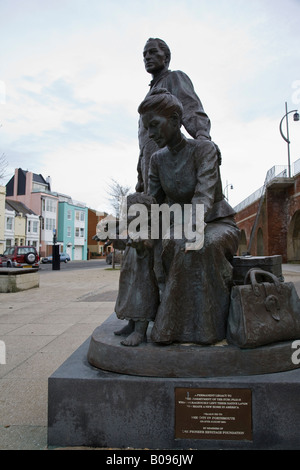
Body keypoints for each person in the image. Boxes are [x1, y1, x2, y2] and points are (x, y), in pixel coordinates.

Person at [138, 89, 240, 345]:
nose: (150, 134)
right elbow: (152, 204)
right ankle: (171, 327)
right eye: (146, 128)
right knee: (175, 242)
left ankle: (209, 330)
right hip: (181, 227)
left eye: (154, 126)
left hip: (217, 224)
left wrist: (191, 229)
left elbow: (204, 196)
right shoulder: (158, 160)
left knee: (202, 245)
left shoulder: (204, 150)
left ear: (174, 120)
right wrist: (135, 228)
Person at [136, 37, 212, 194]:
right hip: (150, 163)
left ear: (166, 57)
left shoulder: (174, 78)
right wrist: (140, 174)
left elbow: (192, 109)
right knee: (154, 213)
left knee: (169, 212)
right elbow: (145, 141)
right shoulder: (149, 94)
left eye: (153, 52)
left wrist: (203, 137)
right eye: (144, 54)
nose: (147, 57)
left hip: (170, 162)